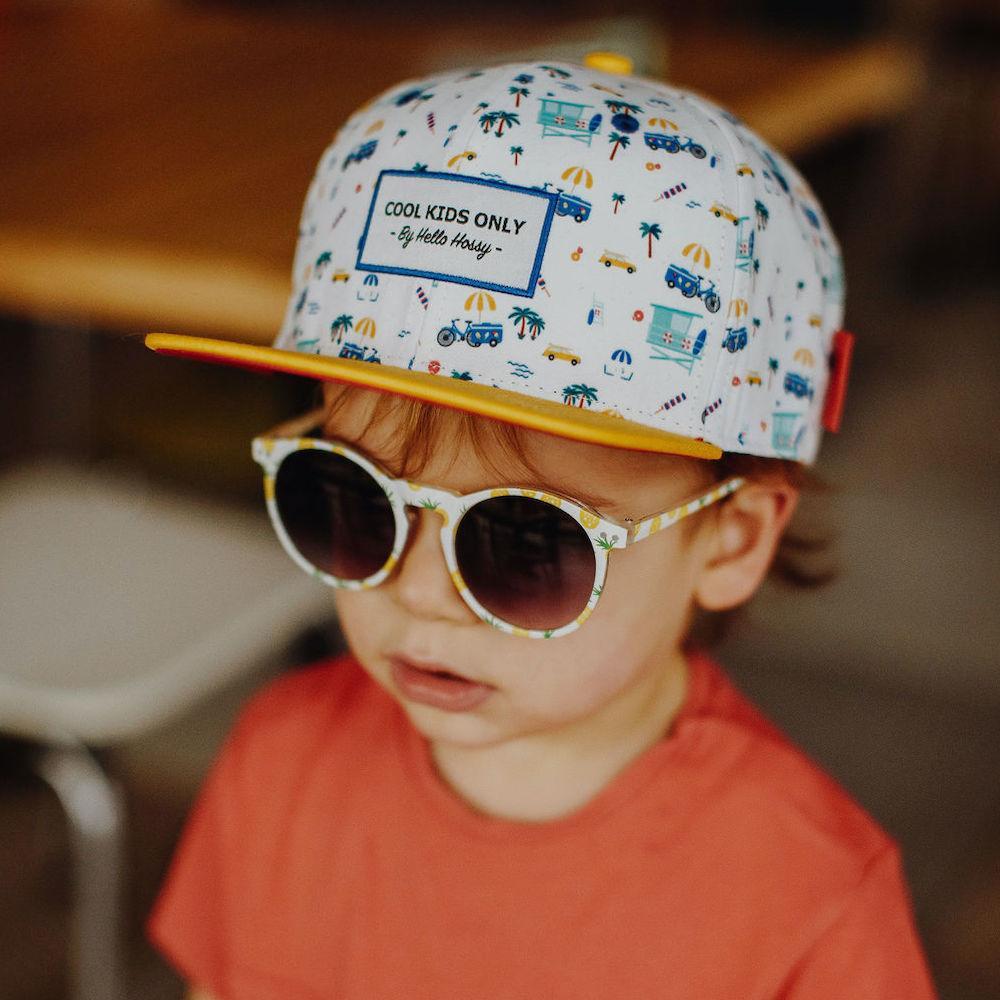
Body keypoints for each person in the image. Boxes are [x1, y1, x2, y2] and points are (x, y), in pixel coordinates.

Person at [144, 53, 937, 998]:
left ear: (731, 541)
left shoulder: (810, 896)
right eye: (355, 501)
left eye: (527, 542)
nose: (420, 593)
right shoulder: (279, 758)